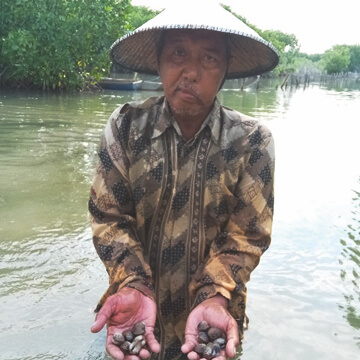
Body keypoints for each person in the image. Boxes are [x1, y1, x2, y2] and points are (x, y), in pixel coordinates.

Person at [89, 3, 278, 360]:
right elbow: (108, 219)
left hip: (214, 321)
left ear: (224, 71)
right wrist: (133, 285)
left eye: (209, 58)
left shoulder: (253, 141)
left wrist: (215, 297)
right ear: (158, 60)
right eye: (177, 52)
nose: (190, 72)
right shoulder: (125, 127)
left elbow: (247, 237)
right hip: (134, 314)